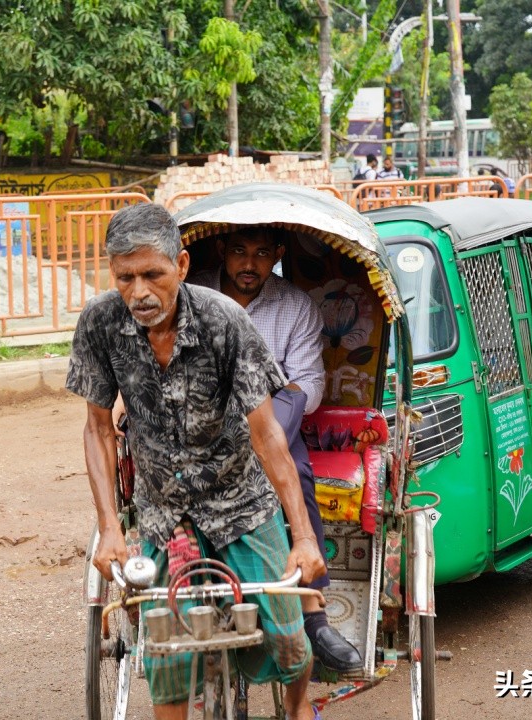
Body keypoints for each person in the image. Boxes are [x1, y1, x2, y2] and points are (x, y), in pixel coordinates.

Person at [67, 204, 326, 720]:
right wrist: (110, 528)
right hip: (163, 514)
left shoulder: (224, 320)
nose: (139, 291)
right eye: (125, 277)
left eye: (153, 275)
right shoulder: (99, 323)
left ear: (181, 266)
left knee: (288, 640)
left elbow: (267, 433)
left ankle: (298, 711)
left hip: (242, 503)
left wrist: (302, 536)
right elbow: (98, 429)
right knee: (165, 653)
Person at [190, 227, 365, 674]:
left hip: (272, 419)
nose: (249, 264)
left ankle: (313, 614)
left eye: (262, 253)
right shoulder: (191, 294)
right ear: (220, 252)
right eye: (239, 252)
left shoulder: (294, 306)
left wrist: (265, 431)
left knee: (296, 477)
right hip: (197, 420)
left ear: (278, 255)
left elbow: (308, 382)